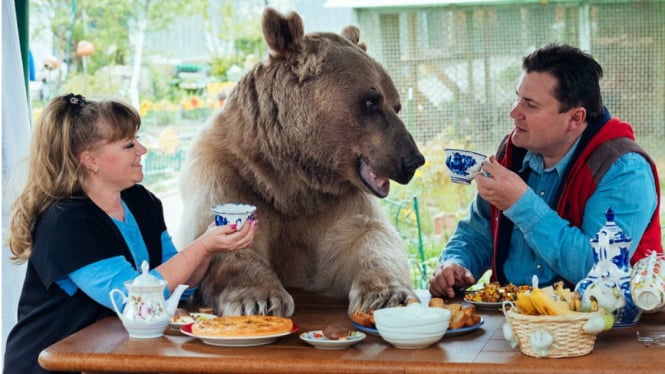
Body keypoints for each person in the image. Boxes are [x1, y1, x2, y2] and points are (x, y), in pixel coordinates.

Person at [3, 93, 258, 373]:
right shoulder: (65, 223)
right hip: (51, 365)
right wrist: (201, 247)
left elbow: (181, 287)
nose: (143, 149)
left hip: (108, 359)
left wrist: (211, 247)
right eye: (129, 145)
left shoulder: (141, 201)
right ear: (90, 160)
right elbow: (135, 300)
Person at [430, 44, 662, 299]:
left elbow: (601, 270)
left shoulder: (624, 170)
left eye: (529, 105)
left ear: (575, 118)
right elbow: (478, 232)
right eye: (517, 97)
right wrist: (456, 264)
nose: (514, 112)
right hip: (512, 319)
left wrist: (521, 204)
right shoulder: (513, 150)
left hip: (601, 329)